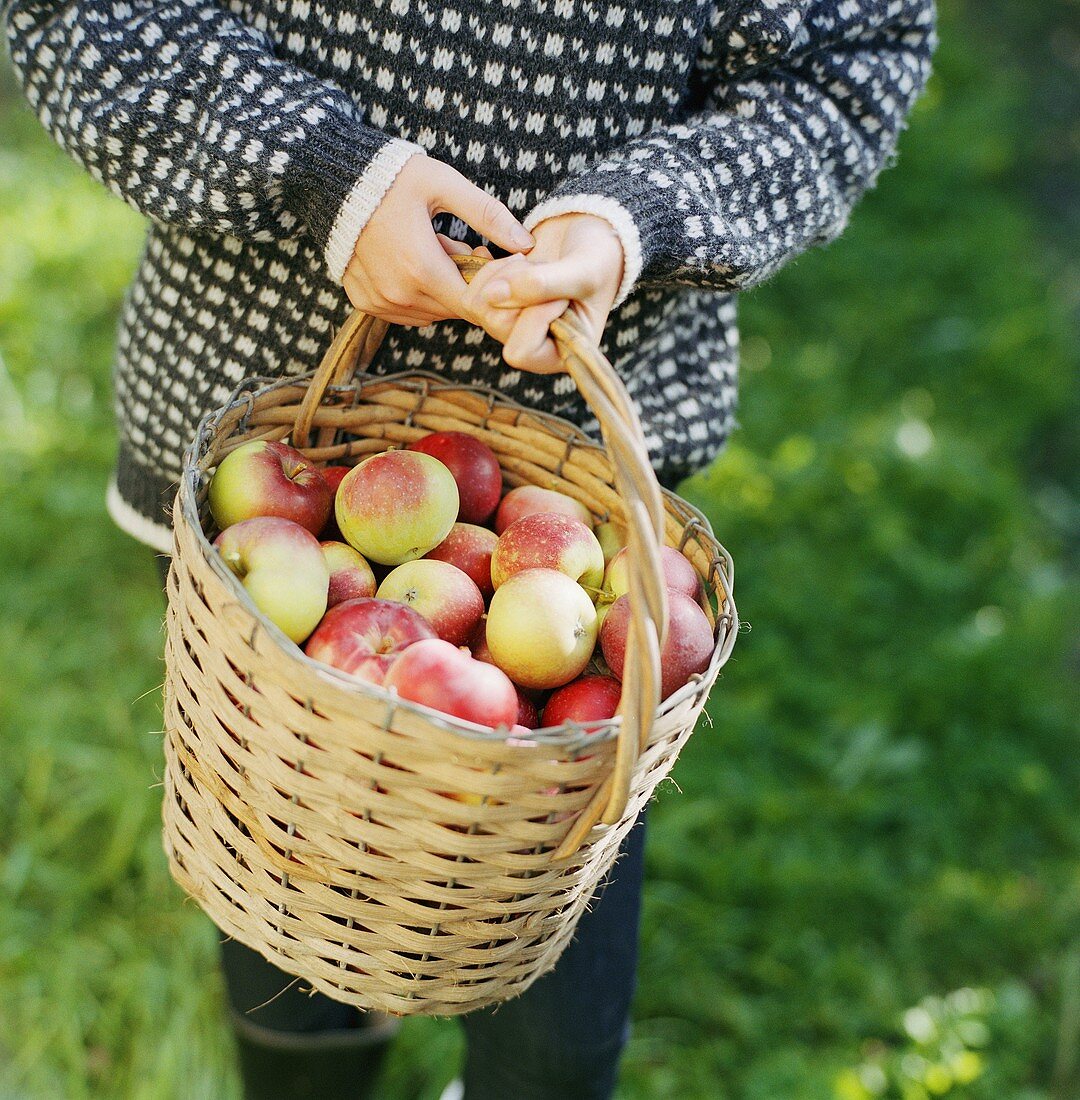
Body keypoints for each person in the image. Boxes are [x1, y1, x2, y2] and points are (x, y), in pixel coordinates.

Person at [5, 1, 935, 1097]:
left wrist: (636, 221)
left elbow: (847, 63)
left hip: (581, 506)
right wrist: (322, 170)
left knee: (554, 1016)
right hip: (274, 452)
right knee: (291, 889)